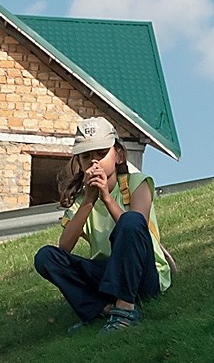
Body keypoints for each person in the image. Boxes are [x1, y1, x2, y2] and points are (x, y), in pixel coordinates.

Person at [34, 116, 171, 333]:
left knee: (131, 219)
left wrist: (107, 199)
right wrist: (89, 199)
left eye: (101, 154)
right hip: (107, 276)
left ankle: (125, 310)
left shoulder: (137, 183)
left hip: (142, 275)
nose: (94, 162)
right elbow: (64, 248)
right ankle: (103, 309)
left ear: (118, 155)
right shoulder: (82, 200)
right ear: (79, 162)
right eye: (87, 156)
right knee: (45, 257)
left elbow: (137, 230)